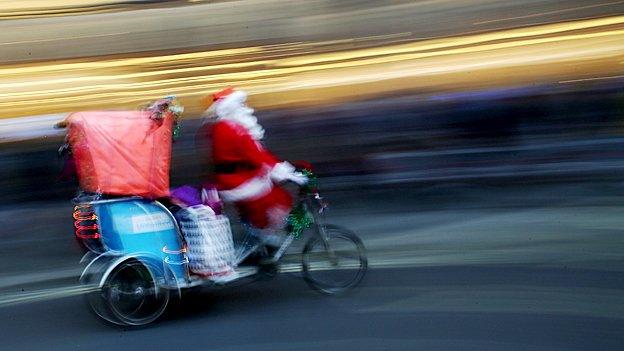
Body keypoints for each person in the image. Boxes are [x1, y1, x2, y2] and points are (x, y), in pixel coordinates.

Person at [199, 87, 307, 240]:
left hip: (238, 178)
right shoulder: (232, 129)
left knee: (272, 197)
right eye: (241, 105)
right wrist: (284, 172)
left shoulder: (225, 127)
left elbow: (258, 155)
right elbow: (256, 156)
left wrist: (281, 169)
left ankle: (263, 239)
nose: (246, 109)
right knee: (278, 201)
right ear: (231, 108)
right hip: (239, 181)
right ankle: (267, 239)